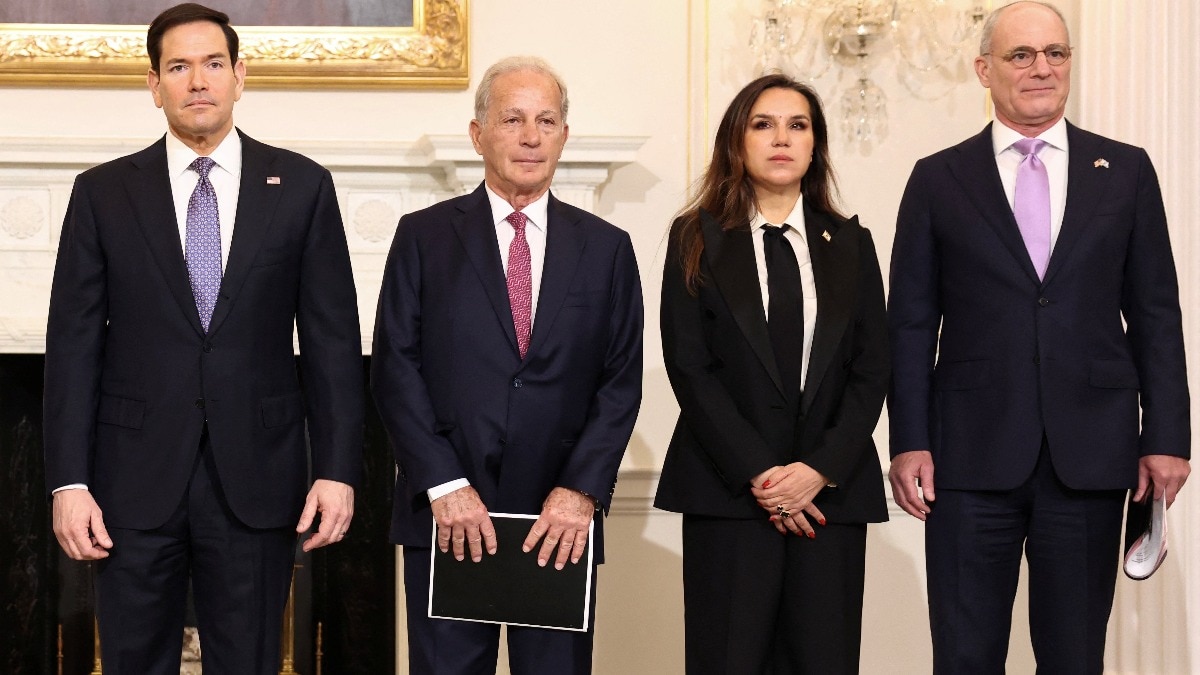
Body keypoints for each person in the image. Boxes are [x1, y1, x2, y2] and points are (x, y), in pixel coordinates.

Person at [42, 4, 365, 673]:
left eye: (213, 64)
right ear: (154, 86)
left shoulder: (302, 186)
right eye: (179, 67)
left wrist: (336, 468)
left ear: (240, 76)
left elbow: (333, 343)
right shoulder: (101, 194)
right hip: (130, 484)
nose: (198, 81)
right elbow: (72, 348)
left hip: (258, 478)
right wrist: (68, 481)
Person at [887, 2, 1191, 672]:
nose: (1041, 68)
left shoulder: (1128, 171)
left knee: (1074, 656)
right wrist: (909, 438)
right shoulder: (938, 178)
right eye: (1021, 55)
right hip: (967, 456)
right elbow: (909, 322)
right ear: (984, 69)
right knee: (966, 655)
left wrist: (1166, 437)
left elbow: (1156, 314)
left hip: (1090, 453)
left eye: (1056, 53)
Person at [370, 55, 643, 674]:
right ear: (478, 133)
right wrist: (443, 484)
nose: (530, 136)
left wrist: (579, 493)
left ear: (564, 137)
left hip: (558, 524)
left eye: (546, 120)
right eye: (512, 118)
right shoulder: (423, 237)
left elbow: (619, 382)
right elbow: (395, 368)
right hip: (447, 517)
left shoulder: (605, 249)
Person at [654, 73, 890, 674]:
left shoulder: (852, 244)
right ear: (738, 141)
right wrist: (764, 476)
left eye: (798, 125)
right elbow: (690, 367)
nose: (781, 138)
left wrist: (817, 471)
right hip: (730, 495)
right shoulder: (695, 238)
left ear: (816, 145)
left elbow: (871, 369)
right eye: (763, 124)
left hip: (829, 500)